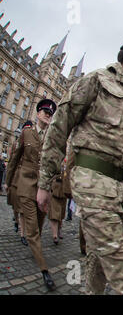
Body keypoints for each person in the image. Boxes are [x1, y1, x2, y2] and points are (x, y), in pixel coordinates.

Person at [36, 41, 123, 295]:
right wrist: (45, 182)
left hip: (121, 190)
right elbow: (59, 126)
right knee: (119, 260)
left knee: (99, 257)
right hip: (92, 181)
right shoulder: (97, 80)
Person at [5, 99, 58, 291]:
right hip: (25, 186)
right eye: (44, 111)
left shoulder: (52, 137)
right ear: (38, 114)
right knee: (33, 229)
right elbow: (14, 159)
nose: (47, 114)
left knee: (40, 221)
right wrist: (8, 183)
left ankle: (33, 245)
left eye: (50, 113)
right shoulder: (26, 133)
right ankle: (45, 271)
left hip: (44, 188)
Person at [48, 163, 66, 245]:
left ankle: (59, 229)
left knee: (61, 215)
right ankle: (54, 235)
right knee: (54, 215)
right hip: (54, 191)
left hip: (63, 191)